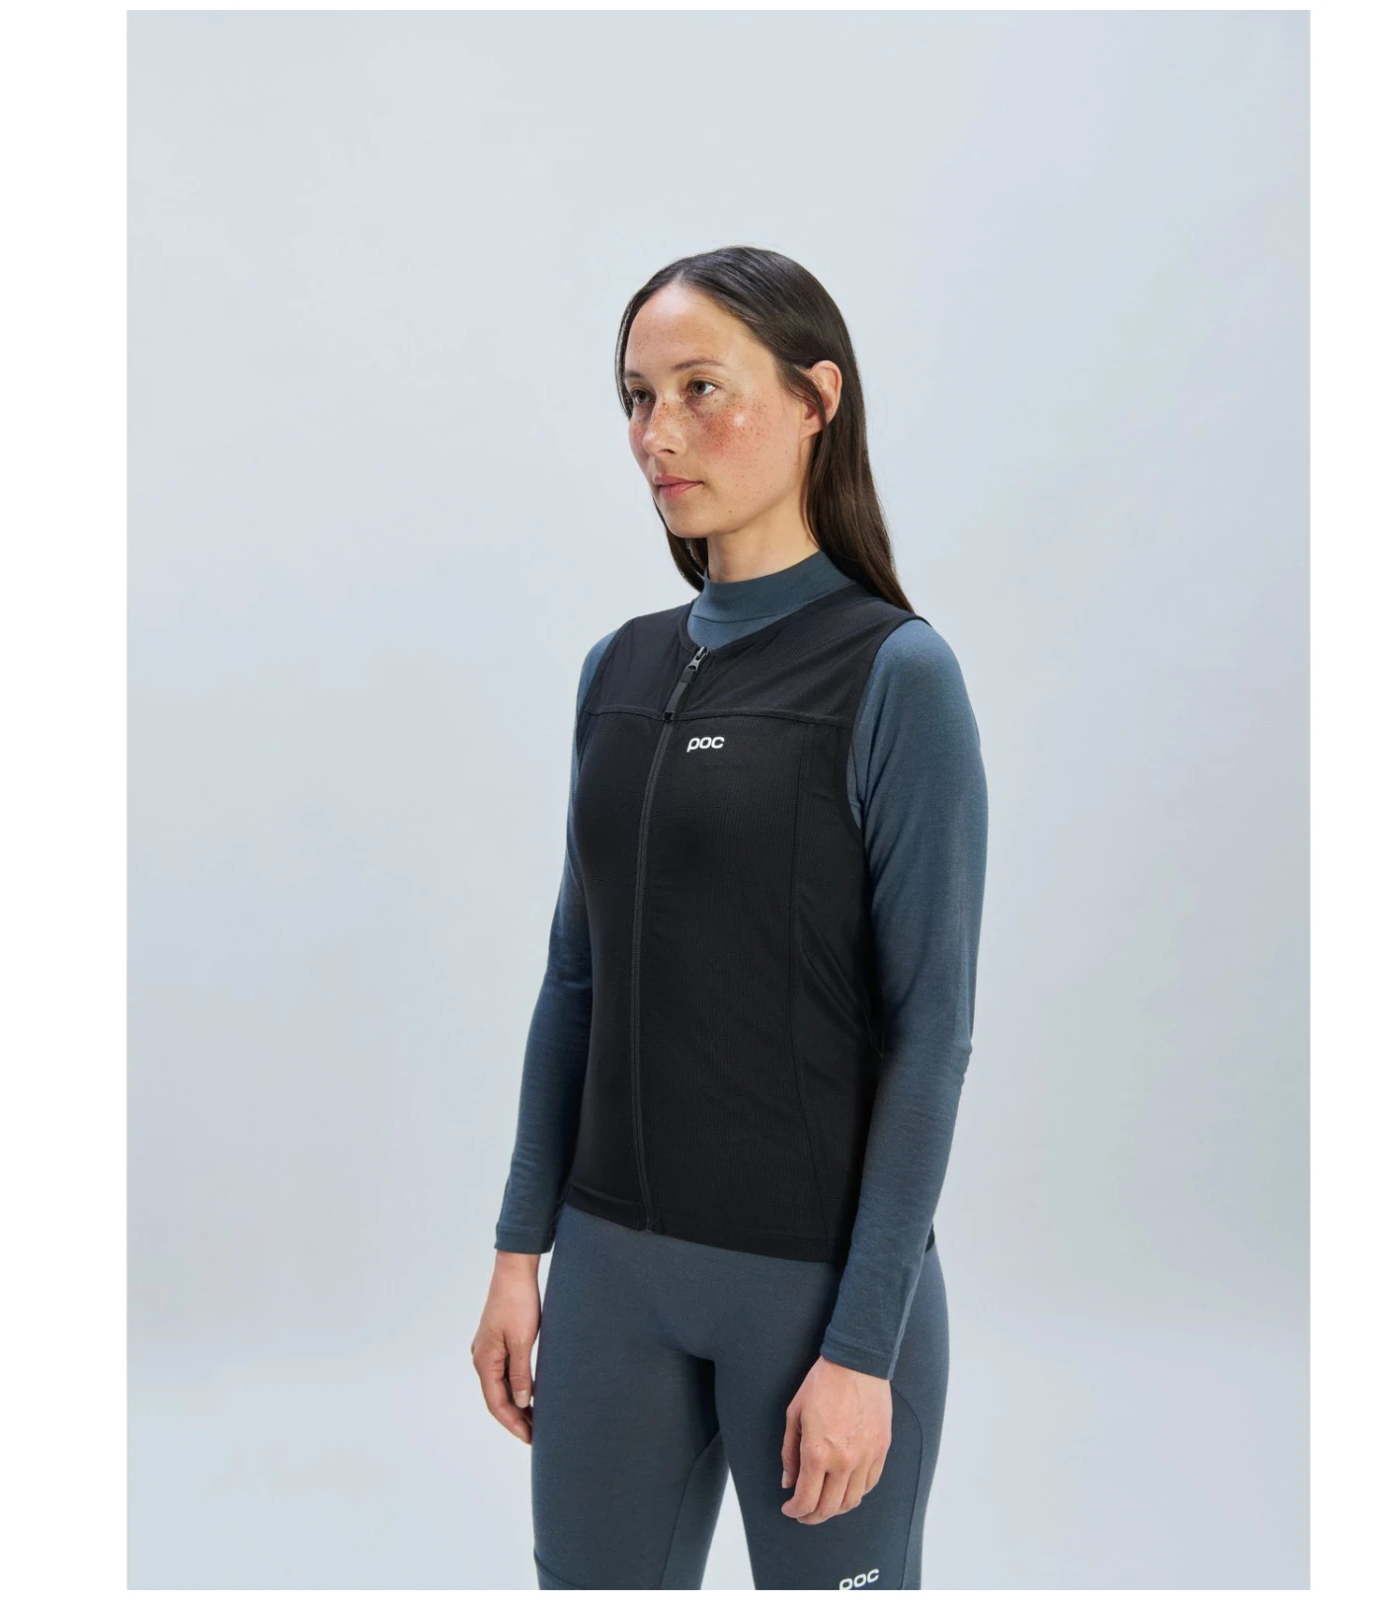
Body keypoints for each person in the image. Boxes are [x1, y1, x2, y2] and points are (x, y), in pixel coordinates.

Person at [471, 245, 988, 1590]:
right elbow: (575, 981)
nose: (660, 433)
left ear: (817, 399)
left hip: (811, 1300)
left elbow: (930, 1035)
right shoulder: (619, 669)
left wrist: (863, 1349)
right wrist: (520, 1252)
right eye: (638, 397)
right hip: (611, 1280)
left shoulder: (895, 675)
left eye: (702, 389)